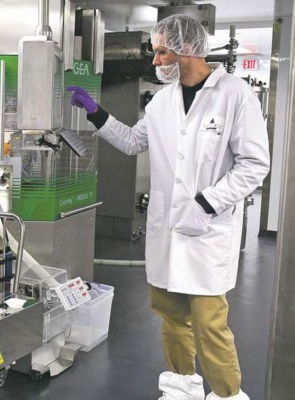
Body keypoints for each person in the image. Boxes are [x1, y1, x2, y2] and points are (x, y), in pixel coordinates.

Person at [67, 14, 270, 400]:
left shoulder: (235, 95)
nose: (156, 61)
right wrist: (95, 112)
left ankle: (227, 394)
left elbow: (254, 165)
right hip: (167, 229)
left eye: (162, 52)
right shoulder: (162, 101)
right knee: (171, 315)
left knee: (209, 324)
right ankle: (181, 386)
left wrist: (207, 203)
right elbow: (132, 141)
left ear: (187, 50)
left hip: (208, 231)